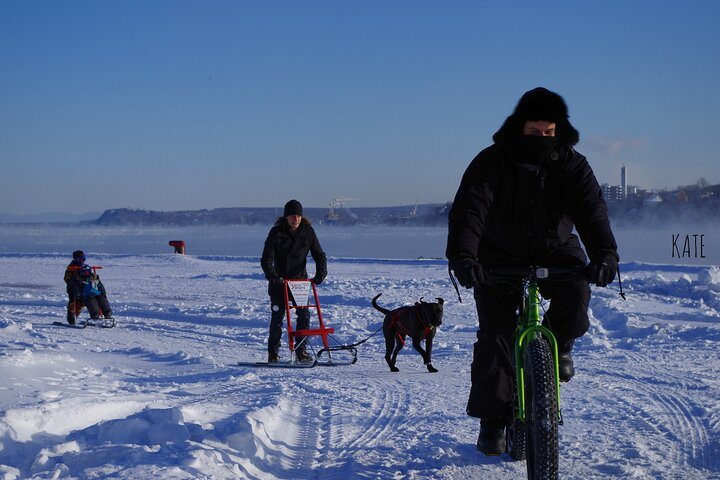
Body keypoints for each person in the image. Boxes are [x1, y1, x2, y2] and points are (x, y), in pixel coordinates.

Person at [445, 87, 619, 455]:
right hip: (497, 256)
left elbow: (592, 210)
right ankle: (493, 419)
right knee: (496, 338)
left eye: (548, 133)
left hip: (556, 250)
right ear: (519, 126)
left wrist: (604, 254)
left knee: (576, 293)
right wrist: (464, 256)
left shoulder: (572, 164)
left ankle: (561, 346)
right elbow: (470, 210)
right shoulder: (492, 162)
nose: (541, 139)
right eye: (534, 131)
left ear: (558, 131)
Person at [261, 199, 328, 363]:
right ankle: (273, 353)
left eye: (298, 215)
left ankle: (301, 351)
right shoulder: (276, 232)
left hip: (300, 283)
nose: (295, 219)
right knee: (278, 317)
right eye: (292, 216)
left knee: (304, 315)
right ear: (286, 217)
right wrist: (273, 276)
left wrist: (320, 274)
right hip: (279, 283)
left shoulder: (308, 232)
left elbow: (319, 255)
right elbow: (266, 259)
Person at [63, 250, 86, 325]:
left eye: (83, 259)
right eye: (79, 259)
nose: (81, 261)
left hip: (83, 289)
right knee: (73, 304)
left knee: (83, 303)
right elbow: (66, 279)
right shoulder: (70, 268)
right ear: (74, 259)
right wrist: (75, 279)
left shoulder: (84, 267)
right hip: (73, 289)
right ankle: (71, 320)